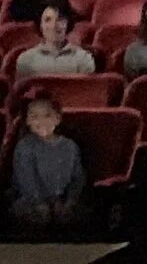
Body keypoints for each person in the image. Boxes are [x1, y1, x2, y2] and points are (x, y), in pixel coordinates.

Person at [9, 94, 88, 238]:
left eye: (47, 116)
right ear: (27, 121)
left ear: (57, 119)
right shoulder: (25, 147)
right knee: (39, 215)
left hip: (62, 200)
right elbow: (27, 181)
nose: (41, 121)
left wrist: (70, 201)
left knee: (76, 214)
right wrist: (42, 203)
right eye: (34, 117)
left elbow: (78, 177)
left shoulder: (70, 146)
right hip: (31, 201)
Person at [15, 4, 96, 79]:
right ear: (40, 26)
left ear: (67, 24)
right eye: (48, 20)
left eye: (59, 20)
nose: (53, 25)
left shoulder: (84, 58)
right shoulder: (26, 60)